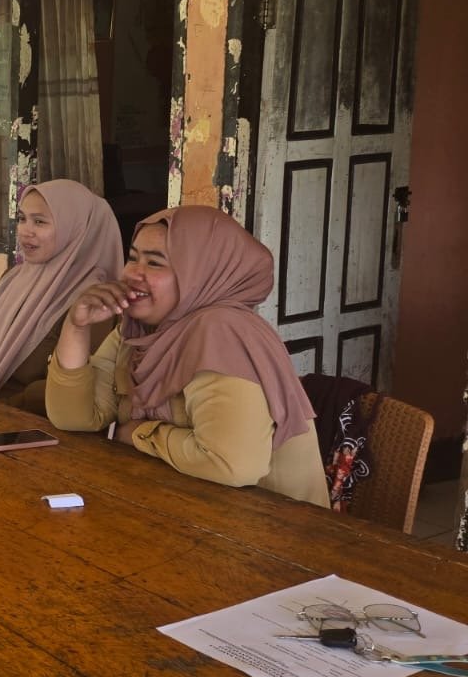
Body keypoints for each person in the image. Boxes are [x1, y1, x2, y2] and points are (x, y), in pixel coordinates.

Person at [45, 206, 330, 507]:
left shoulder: (223, 332)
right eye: (132, 258)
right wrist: (76, 327)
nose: (132, 274)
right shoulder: (138, 332)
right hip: (187, 505)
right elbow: (73, 417)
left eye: (155, 263)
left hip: (270, 523)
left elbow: (233, 465)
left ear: (200, 273)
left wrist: (140, 434)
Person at [0, 180, 122, 414]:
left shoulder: (94, 301)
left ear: (75, 229)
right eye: (22, 219)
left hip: (28, 423)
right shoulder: (14, 279)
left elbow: (62, 389)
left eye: (39, 222)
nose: (25, 231)